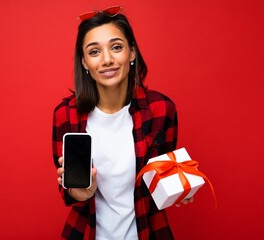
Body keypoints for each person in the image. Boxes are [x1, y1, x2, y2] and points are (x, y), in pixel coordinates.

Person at [53, 6, 192, 240]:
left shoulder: (161, 110)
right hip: (86, 233)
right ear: (85, 62)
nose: (107, 60)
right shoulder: (65, 115)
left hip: (148, 233)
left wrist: (179, 188)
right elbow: (69, 192)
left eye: (116, 47)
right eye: (94, 52)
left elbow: (163, 178)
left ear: (132, 53)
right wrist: (80, 192)